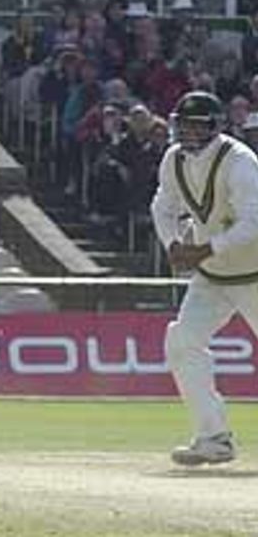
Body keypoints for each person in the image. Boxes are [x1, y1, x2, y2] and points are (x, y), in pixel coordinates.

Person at [151, 91, 258, 466]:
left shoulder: (240, 161)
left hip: (254, 273)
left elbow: (254, 222)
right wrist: (173, 244)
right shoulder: (173, 159)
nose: (189, 133)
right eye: (184, 125)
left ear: (215, 127)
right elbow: (163, 206)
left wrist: (205, 249)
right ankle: (213, 437)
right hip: (213, 276)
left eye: (198, 126)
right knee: (182, 341)